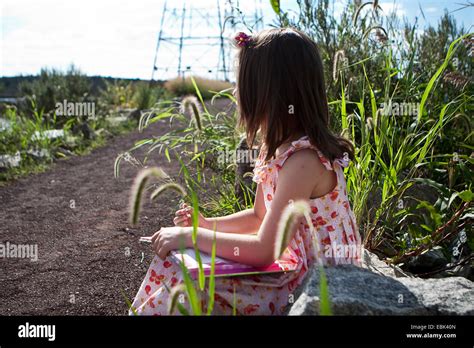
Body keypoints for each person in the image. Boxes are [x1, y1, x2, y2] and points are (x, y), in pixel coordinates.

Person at [129, 28, 361, 316]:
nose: (235, 92)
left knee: (194, 284)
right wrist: (206, 224)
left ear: (267, 93)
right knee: (177, 263)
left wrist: (190, 237)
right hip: (295, 268)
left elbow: (266, 249)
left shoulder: (304, 161)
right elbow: (259, 217)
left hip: (316, 284)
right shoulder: (275, 151)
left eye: (241, 85)